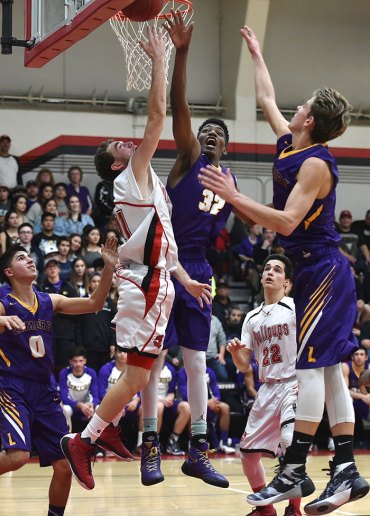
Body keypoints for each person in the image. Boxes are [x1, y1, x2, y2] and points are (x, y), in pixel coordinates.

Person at [198, 25, 369, 514]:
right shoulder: (289, 143)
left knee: (312, 367)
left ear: (310, 119)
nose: (291, 108)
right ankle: (346, 471)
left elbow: (287, 221)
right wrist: (256, 54)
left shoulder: (315, 163)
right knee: (333, 370)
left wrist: (235, 197)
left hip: (324, 269)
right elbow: (268, 97)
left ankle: (293, 469)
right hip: (317, 269)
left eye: (302, 106)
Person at [59, 27, 212, 491]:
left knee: (135, 374)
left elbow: (165, 245)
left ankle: (99, 434)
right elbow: (158, 115)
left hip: (157, 280)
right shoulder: (132, 177)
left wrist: (184, 280)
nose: (125, 143)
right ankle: (84, 439)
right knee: (134, 376)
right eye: (116, 147)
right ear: (114, 165)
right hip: (144, 288)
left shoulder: (148, 187)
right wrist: (161, 57)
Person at [135, 11, 236, 490]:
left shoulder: (230, 182)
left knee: (197, 363)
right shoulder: (190, 157)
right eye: (206, 129)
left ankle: (198, 450)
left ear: (229, 147)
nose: (211, 133)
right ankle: (149, 446)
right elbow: (180, 109)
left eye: (221, 131)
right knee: (154, 361)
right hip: (164, 263)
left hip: (199, 269)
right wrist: (183, 51)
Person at [0, 236, 118, 516]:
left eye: (29, 257)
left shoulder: (48, 301)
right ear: (8, 273)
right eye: (20, 258)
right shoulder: (4, 301)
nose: (29, 259)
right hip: (12, 387)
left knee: (65, 464)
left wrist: (109, 269)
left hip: (45, 388)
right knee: (17, 456)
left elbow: (94, 302)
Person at [227, 254, 301, 516]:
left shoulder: (296, 307)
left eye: (277, 270)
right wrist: (236, 353)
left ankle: (294, 508)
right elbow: (244, 365)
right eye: (267, 268)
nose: (270, 272)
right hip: (267, 388)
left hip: (294, 384)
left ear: (287, 283)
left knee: (290, 442)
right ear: (261, 277)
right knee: (247, 454)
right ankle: (265, 508)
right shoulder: (252, 317)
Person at [59, 347, 99, 432]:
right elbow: (64, 398)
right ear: (70, 362)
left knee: (99, 408)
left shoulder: (91, 373)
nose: (78, 364)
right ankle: (67, 436)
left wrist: (91, 404)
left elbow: (96, 396)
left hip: (87, 407)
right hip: (72, 406)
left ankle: (96, 439)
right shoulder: (64, 373)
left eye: (80, 361)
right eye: (75, 361)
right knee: (65, 409)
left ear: (85, 361)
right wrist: (80, 405)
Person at [342, 348, 370, 448]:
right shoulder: (346, 367)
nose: (359, 357)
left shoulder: (369, 368)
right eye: (356, 354)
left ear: (366, 357)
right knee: (348, 402)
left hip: (365, 400)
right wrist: (362, 396)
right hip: (351, 400)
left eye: (362, 354)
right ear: (352, 357)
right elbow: (344, 390)